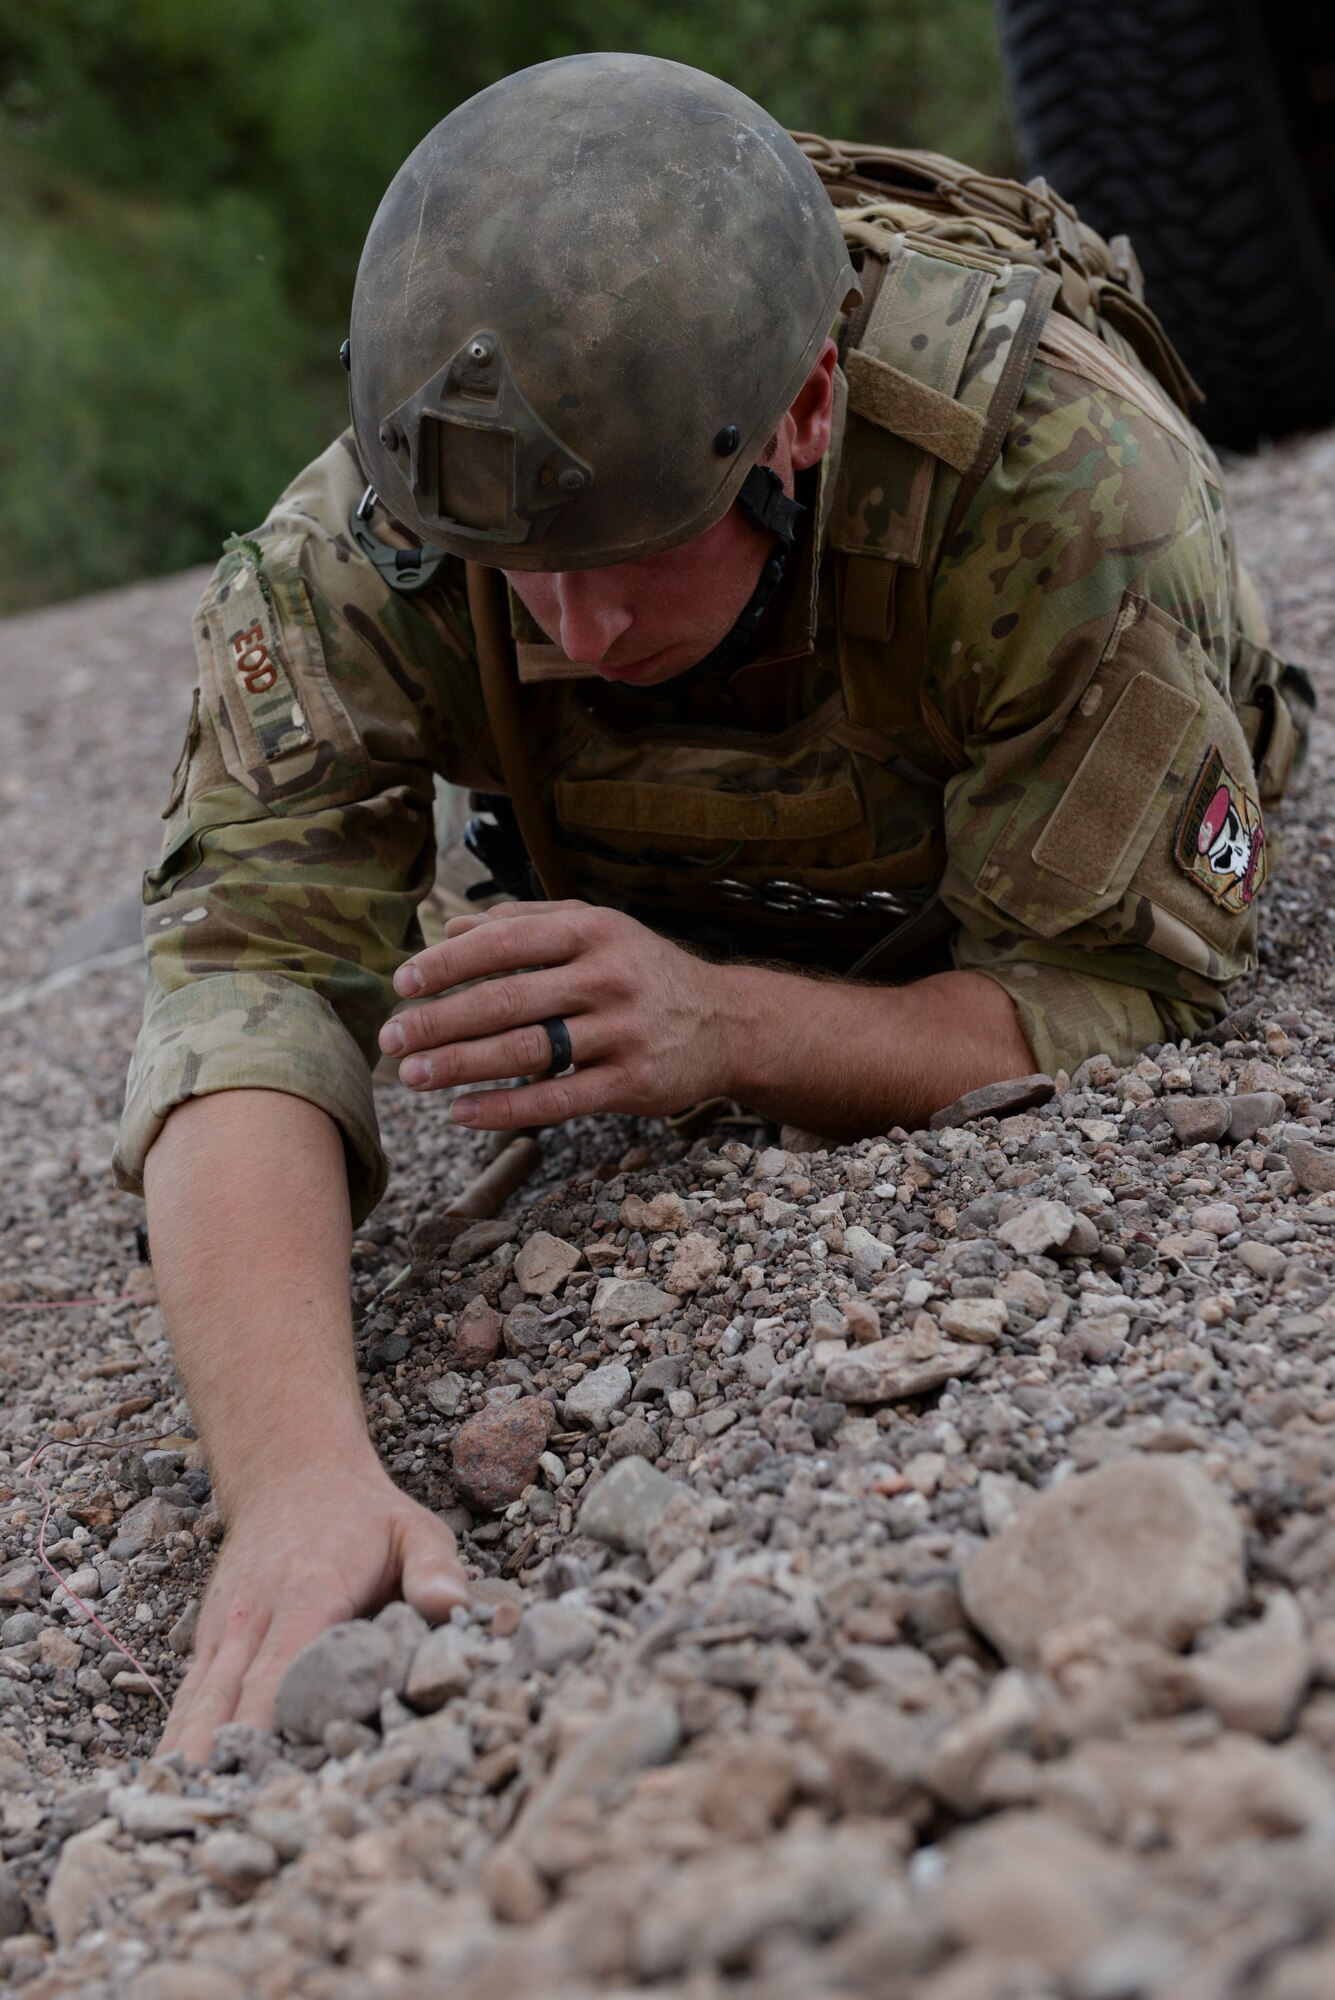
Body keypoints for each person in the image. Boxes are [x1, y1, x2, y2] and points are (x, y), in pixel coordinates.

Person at [113, 53, 1310, 1761]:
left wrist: (728, 1026)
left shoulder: (1059, 489)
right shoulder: (391, 532)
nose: (578, 632)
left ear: (808, 412)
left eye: (635, 551)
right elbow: (246, 974)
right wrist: (297, 1476)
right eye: (528, 571)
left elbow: (1110, 991)